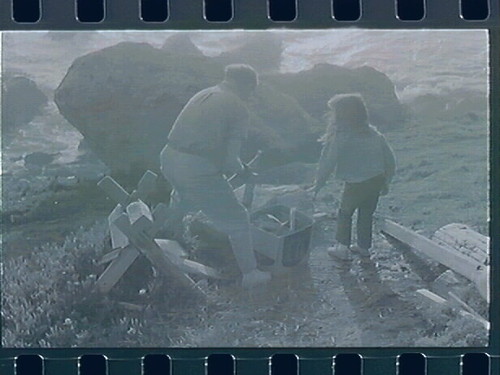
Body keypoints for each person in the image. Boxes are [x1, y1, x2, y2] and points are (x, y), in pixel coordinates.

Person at [160, 64, 271, 288]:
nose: (251, 94)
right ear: (247, 85)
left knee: (181, 200)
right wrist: (244, 172)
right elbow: (231, 161)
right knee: (238, 219)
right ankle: (250, 274)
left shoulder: (204, 93)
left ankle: (169, 246)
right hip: (196, 168)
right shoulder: (238, 107)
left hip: (169, 158)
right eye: (252, 89)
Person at [312, 94, 396, 262]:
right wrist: (386, 181)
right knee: (366, 214)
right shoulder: (373, 133)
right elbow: (390, 159)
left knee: (345, 213)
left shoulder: (341, 136)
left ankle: (342, 248)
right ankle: (364, 247)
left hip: (356, 183)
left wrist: (318, 185)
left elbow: (328, 162)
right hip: (376, 179)